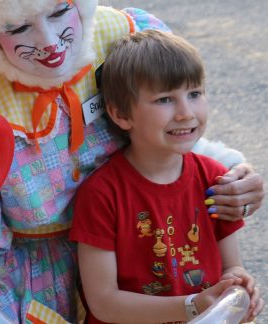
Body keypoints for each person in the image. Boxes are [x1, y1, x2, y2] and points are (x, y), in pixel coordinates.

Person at [0, 1, 265, 323]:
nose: (50, 43)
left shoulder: (125, 37)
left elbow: (169, 128)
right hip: (20, 290)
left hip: (133, 259)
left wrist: (228, 178)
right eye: (19, 27)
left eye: (59, 11)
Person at [69, 30, 264, 323]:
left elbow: (231, 267)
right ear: (122, 114)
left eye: (195, 94)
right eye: (164, 100)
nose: (186, 112)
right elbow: (104, 302)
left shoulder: (215, 179)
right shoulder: (101, 194)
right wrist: (191, 306)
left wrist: (238, 287)